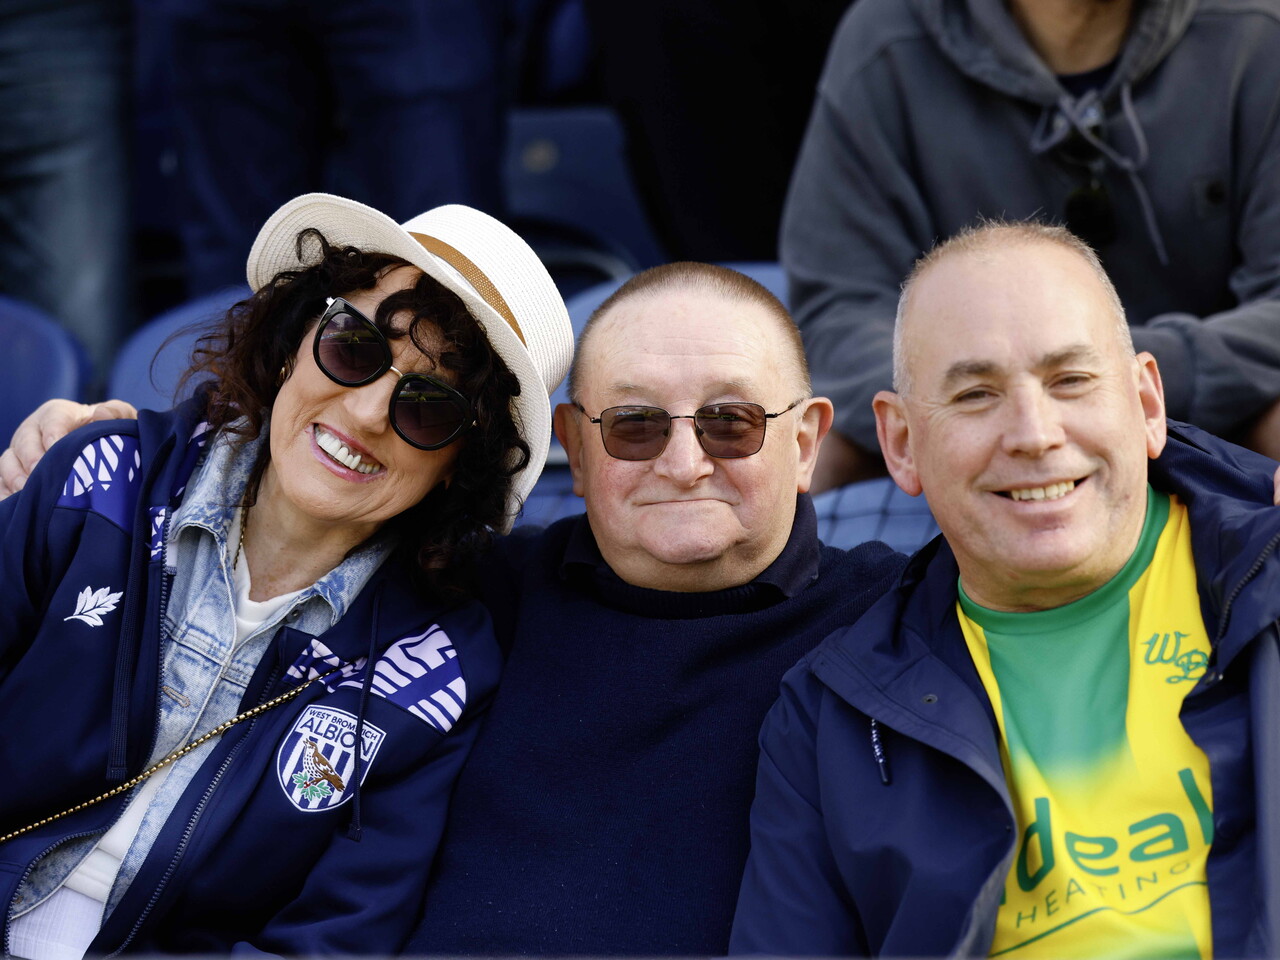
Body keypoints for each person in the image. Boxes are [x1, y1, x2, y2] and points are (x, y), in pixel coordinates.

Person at [0, 192, 572, 956]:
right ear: (297, 337)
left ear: (460, 467)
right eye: (354, 349)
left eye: (429, 407)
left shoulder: (441, 676)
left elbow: (326, 943)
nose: (367, 412)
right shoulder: (95, 481)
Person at [731, 222, 1280, 956]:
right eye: (976, 394)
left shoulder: (1268, 577)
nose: (1033, 432)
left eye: (1070, 380)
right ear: (899, 443)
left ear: (1148, 403)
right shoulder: (826, 717)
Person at [786, 0, 1280, 490]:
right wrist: (976, 394)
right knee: (800, 454)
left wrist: (1119, 377)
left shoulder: (1259, 32)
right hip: (975, 409)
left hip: (1227, 397)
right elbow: (839, 309)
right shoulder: (887, 39)